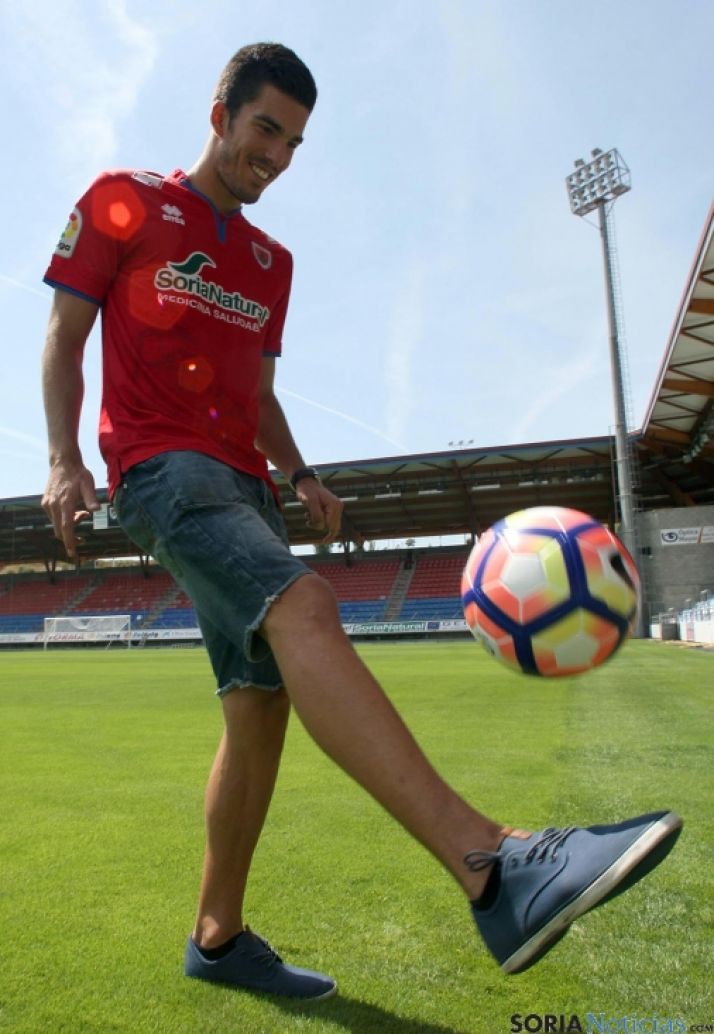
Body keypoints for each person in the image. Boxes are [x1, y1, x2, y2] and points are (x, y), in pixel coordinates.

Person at [41, 42, 682, 1000]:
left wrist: (301, 476)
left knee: (258, 712)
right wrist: (62, 458)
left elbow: (258, 392)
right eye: (265, 129)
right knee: (304, 609)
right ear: (219, 113)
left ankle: (217, 939)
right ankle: (492, 864)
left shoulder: (270, 262)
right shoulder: (121, 201)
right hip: (161, 471)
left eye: (296, 143)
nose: (278, 157)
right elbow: (65, 331)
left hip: (245, 483)